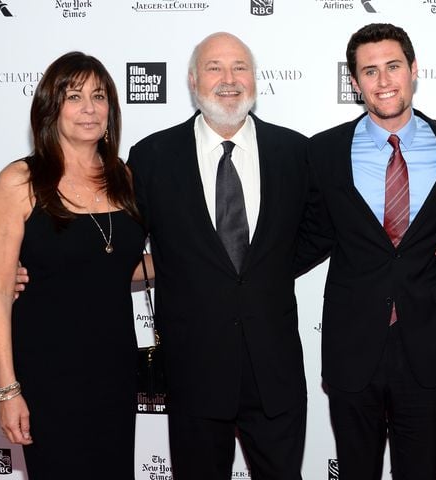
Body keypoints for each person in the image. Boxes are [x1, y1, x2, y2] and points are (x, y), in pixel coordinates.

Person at [126, 32, 309, 480]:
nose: (229, 80)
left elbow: (324, 230)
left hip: (276, 371)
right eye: (214, 68)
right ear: (192, 80)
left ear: (255, 79)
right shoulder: (151, 157)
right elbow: (120, 246)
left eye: (239, 67)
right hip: (194, 371)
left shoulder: (295, 152)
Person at [300, 23, 436, 479]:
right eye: (370, 71)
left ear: (414, 70)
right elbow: (309, 234)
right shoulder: (323, 152)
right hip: (351, 345)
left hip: (428, 344)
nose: (383, 81)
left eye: (393, 66)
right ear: (355, 83)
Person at [0, 51, 145, 479]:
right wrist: (7, 390)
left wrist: (193, 261)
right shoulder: (20, 181)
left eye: (99, 95)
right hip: (47, 373)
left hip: (113, 368)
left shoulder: (124, 178)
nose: (89, 108)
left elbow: (111, 268)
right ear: (51, 108)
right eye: (74, 97)